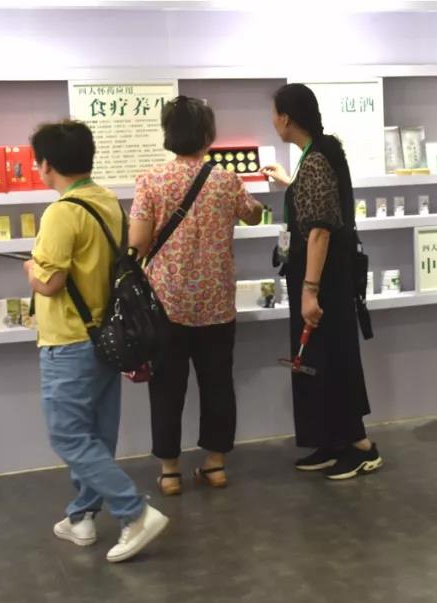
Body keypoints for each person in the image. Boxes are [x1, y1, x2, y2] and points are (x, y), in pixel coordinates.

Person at [24, 120, 168, 563]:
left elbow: (50, 282)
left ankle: (135, 512)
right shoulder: (107, 201)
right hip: (105, 336)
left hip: (67, 340)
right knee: (97, 435)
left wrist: (29, 270)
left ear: (46, 164)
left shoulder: (61, 212)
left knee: (67, 434)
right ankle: (82, 515)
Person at [130, 96, 264, 495]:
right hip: (216, 304)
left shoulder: (151, 180)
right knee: (218, 384)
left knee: (167, 389)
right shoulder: (226, 181)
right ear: (208, 135)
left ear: (168, 134)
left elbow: (138, 242)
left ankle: (170, 471)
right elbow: (253, 214)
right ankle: (215, 465)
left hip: (166, 304)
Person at [260, 84, 383, 481]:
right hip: (325, 279)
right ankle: (332, 442)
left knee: (332, 360)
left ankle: (361, 447)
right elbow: (315, 203)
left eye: (275, 114)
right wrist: (288, 183)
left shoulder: (315, 161)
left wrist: (310, 291)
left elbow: (319, 231)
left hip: (324, 282)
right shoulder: (318, 155)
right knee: (316, 360)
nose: (273, 121)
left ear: (286, 118)